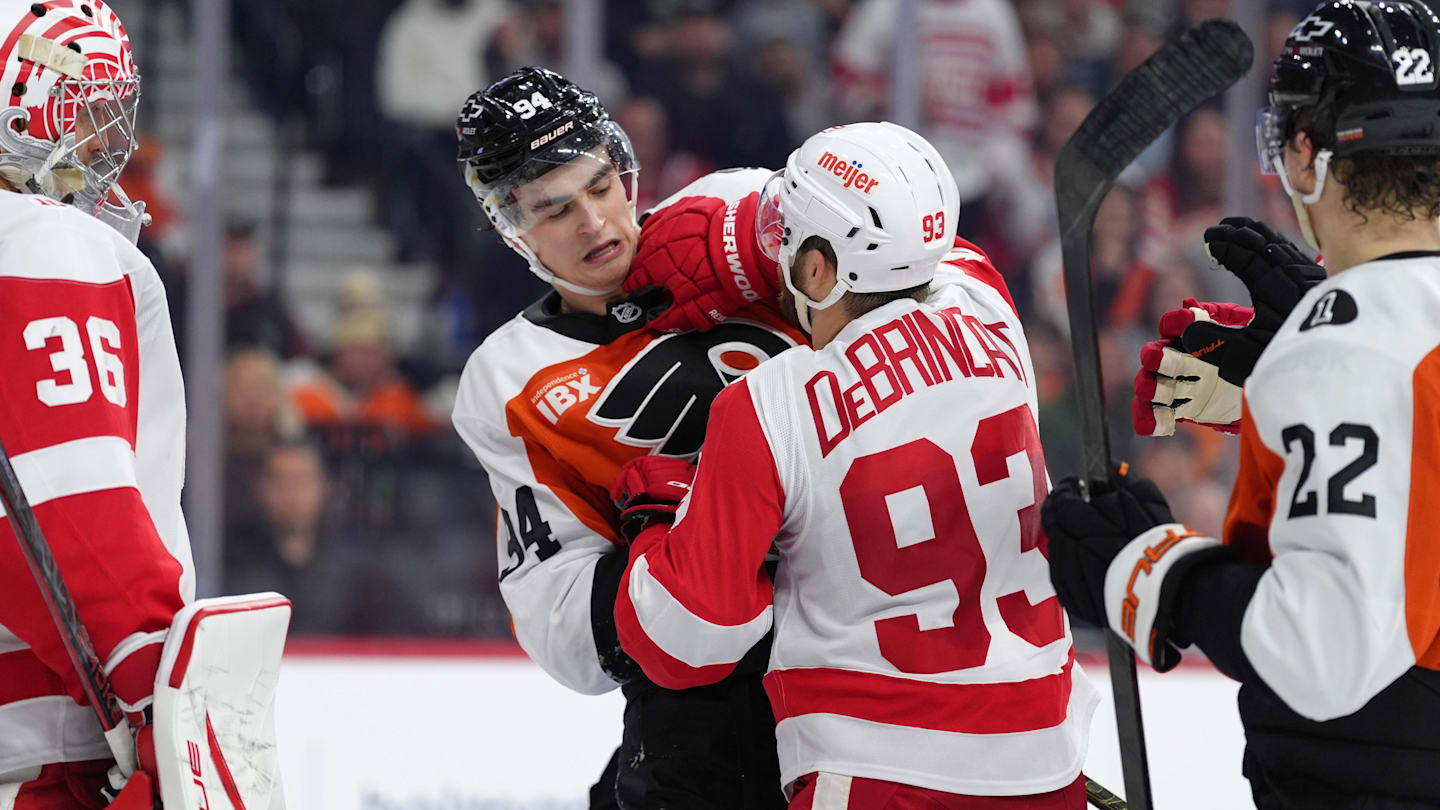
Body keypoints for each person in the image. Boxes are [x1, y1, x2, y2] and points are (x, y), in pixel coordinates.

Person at [611, 122, 1097, 808]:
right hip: (1045, 757)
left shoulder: (765, 405)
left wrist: (655, 524)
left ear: (818, 269)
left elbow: (687, 642)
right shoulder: (989, 304)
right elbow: (938, 251)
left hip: (877, 770)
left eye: (789, 238)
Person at [1042, 2, 1440, 807]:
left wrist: (1147, 568)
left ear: (1302, 154)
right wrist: (1282, 389)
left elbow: (1323, 654)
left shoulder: (1348, 346)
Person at [450, 66, 802, 809]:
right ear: (512, 230)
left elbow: (911, 282)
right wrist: (669, 557)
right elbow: (565, 633)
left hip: (876, 640)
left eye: (601, 186)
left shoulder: (738, 219)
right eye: (553, 209)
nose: (594, 223)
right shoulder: (509, 382)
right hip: (713, 698)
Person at [0, 2, 188, 806]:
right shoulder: (40, 239)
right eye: (90, 113)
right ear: (20, 109)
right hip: (43, 746)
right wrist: (156, 691)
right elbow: (71, 503)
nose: (112, 146)